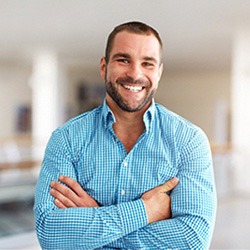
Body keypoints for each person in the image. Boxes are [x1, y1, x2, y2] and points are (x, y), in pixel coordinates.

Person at [34, 21, 217, 249]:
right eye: (123, 60)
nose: (135, 74)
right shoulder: (67, 139)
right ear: (104, 67)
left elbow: (193, 239)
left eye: (147, 63)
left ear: (159, 73)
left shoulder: (188, 140)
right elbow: (51, 233)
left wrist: (96, 220)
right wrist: (146, 210)